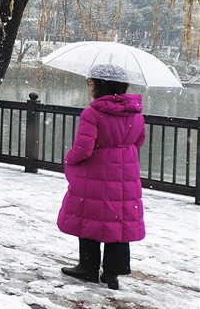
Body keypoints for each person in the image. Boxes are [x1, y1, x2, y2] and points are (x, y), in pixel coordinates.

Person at [57, 64, 146, 290]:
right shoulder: (135, 113)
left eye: (91, 83)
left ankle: (88, 267)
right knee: (119, 220)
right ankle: (112, 273)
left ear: (100, 85)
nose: (90, 87)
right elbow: (139, 140)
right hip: (125, 173)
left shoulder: (93, 113)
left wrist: (69, 159)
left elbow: (84, 148)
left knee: (90, 217)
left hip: (96, 172)